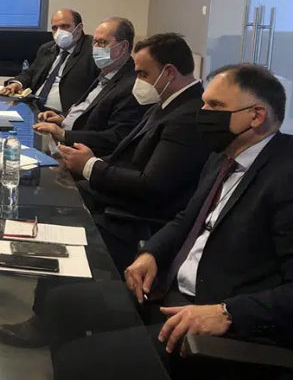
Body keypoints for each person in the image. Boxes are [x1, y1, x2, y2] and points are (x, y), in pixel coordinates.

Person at [45, 64, 292, 380]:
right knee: (61, 303)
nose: (203, 114)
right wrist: (151, 253)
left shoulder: (285, 177)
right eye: (204, 103)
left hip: (220, 326)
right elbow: (187, 218)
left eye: (215, 106)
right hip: (167, 292)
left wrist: (227, 312)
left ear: (257, 115)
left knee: (78, 362)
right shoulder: (223, 157)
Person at [58, 32, 212, 271]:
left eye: (142, 74)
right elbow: (127, 157)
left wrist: (89, 166)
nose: (137, 81)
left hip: (131, 220)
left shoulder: (187, 117)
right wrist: (83, 162)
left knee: (55, 226)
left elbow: (151, 186)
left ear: (169, 72)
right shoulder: (166, 103)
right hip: (115, 198)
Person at [33, 17, 149, 156]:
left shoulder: (131, 85)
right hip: (66, 139)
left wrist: (64, 134)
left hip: (83, 155)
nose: (96, 48)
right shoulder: (106, 73)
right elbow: (90, 112)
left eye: (103, 43)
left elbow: (117, 137)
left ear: (123, 47)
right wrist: (63, 118)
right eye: (95, 42)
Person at [0, 9, 98, 114]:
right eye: (55, 28)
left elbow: (98, 92)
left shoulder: (92, 51)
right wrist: (17, 84)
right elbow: (31, 73)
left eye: (65, 26)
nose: (59, 32)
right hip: (34, 107)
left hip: (64, 115)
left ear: (79, 28)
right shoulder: (47, 48)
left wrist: (66, 117)